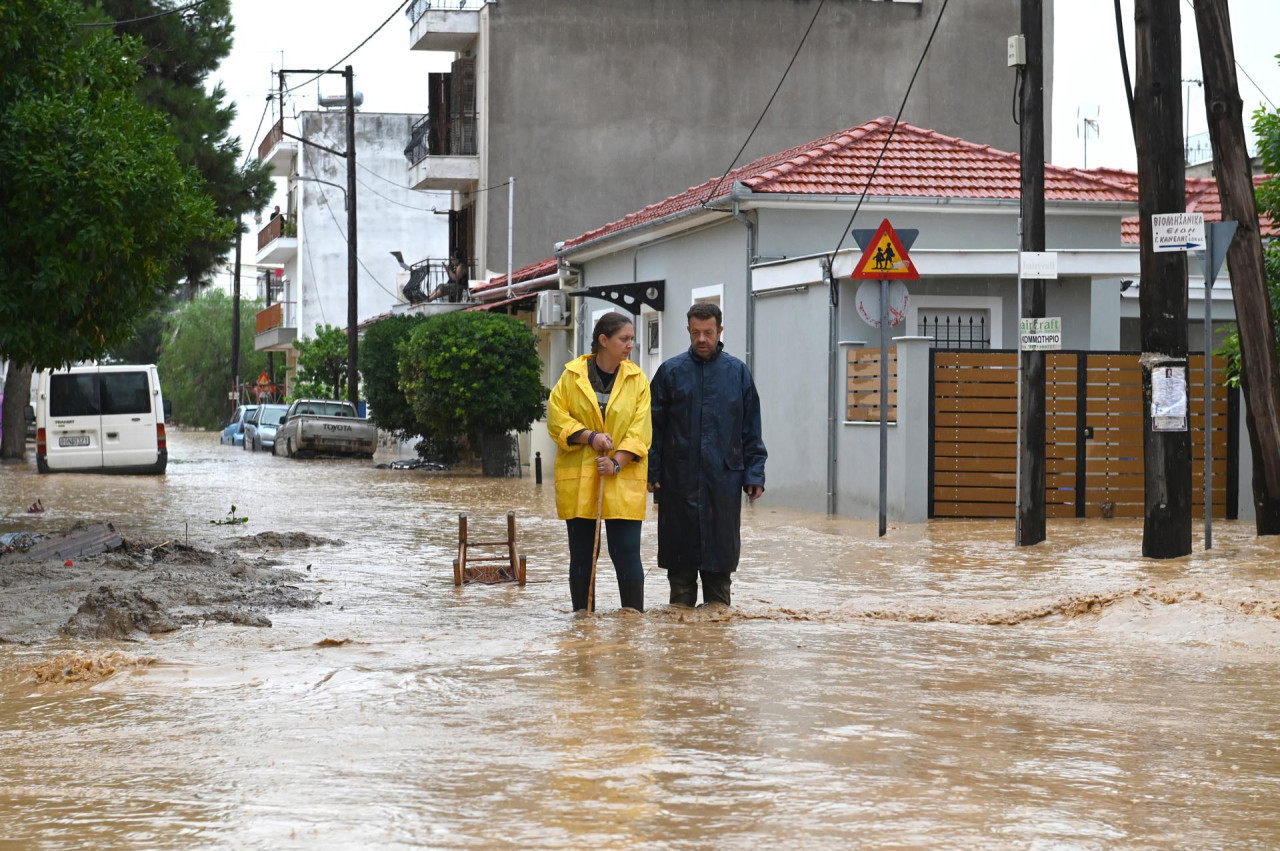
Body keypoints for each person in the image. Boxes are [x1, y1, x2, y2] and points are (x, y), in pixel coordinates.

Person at [648, 302, 766, 608]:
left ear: (720, 331)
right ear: (688, 330)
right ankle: (682, 646)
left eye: (709, 333)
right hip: (678, 484)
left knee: (719, 574)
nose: (702, 339)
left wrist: (754, 474)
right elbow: (652, 428)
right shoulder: (669, 372)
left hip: (722, 483)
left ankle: (718, 647)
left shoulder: (736, 372)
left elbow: (751, 429)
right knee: (680, 574)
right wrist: (653, 472)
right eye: (696, 332)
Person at [547, 312, 652, 612]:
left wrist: (617, 462)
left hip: (622, 478)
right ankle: (582, 622)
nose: (630, 345)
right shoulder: (571, 377)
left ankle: (632, 624)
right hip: (580, 478)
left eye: (632, 339)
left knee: (626, 554)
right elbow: (556, 419)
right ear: (603, 341)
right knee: (582, 556)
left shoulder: (638, 380)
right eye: (624, 339)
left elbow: (641, 430)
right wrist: (590, 438)